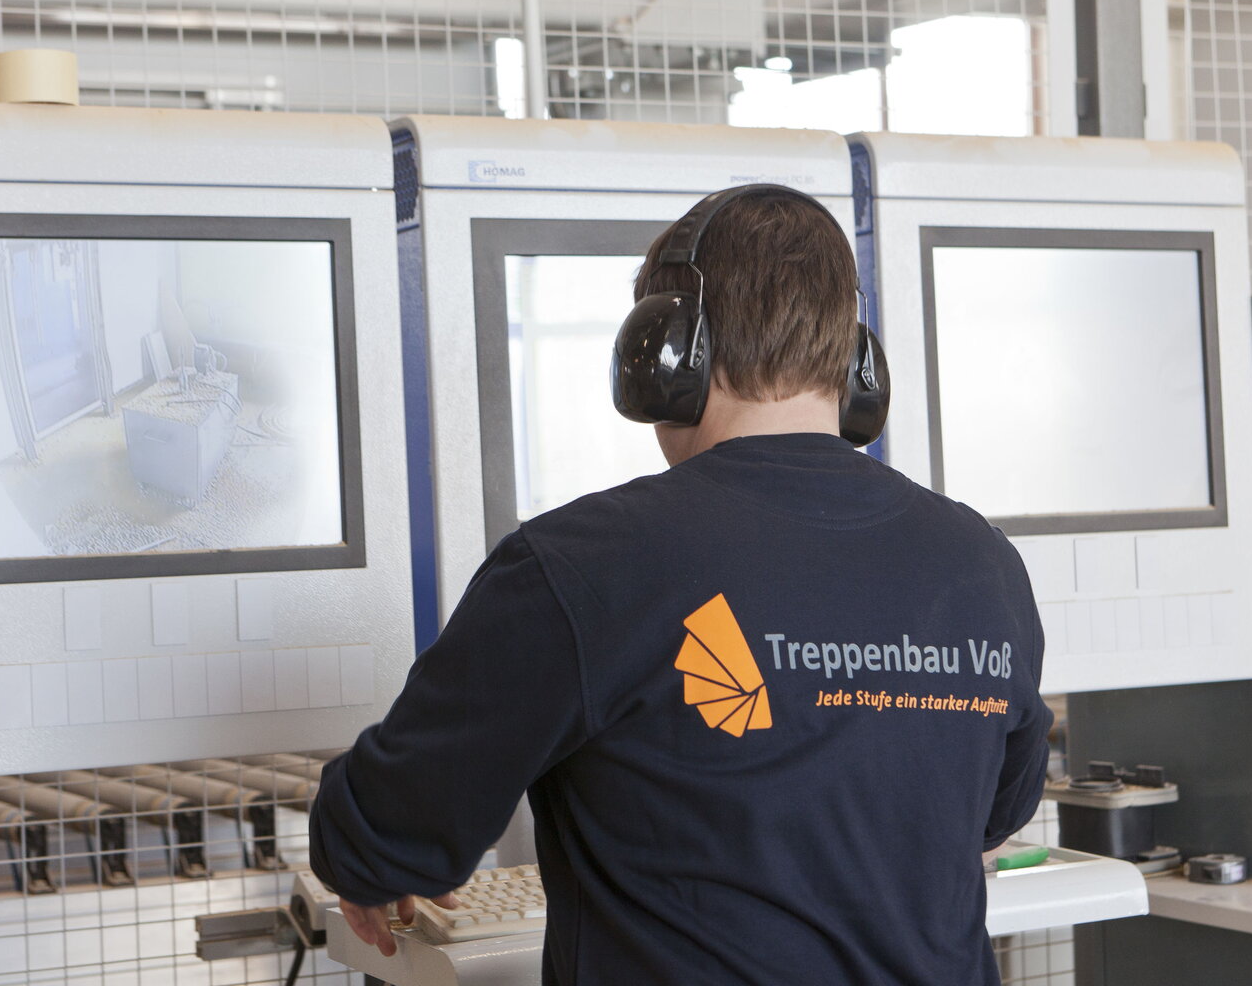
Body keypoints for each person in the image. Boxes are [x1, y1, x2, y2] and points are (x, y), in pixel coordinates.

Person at [309, 184, 1052, 985]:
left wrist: (371, 864)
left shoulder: (583, 565)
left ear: (666, 354)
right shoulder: (983, 562)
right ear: (856, 366)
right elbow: (997, 813)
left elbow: (385, 833)